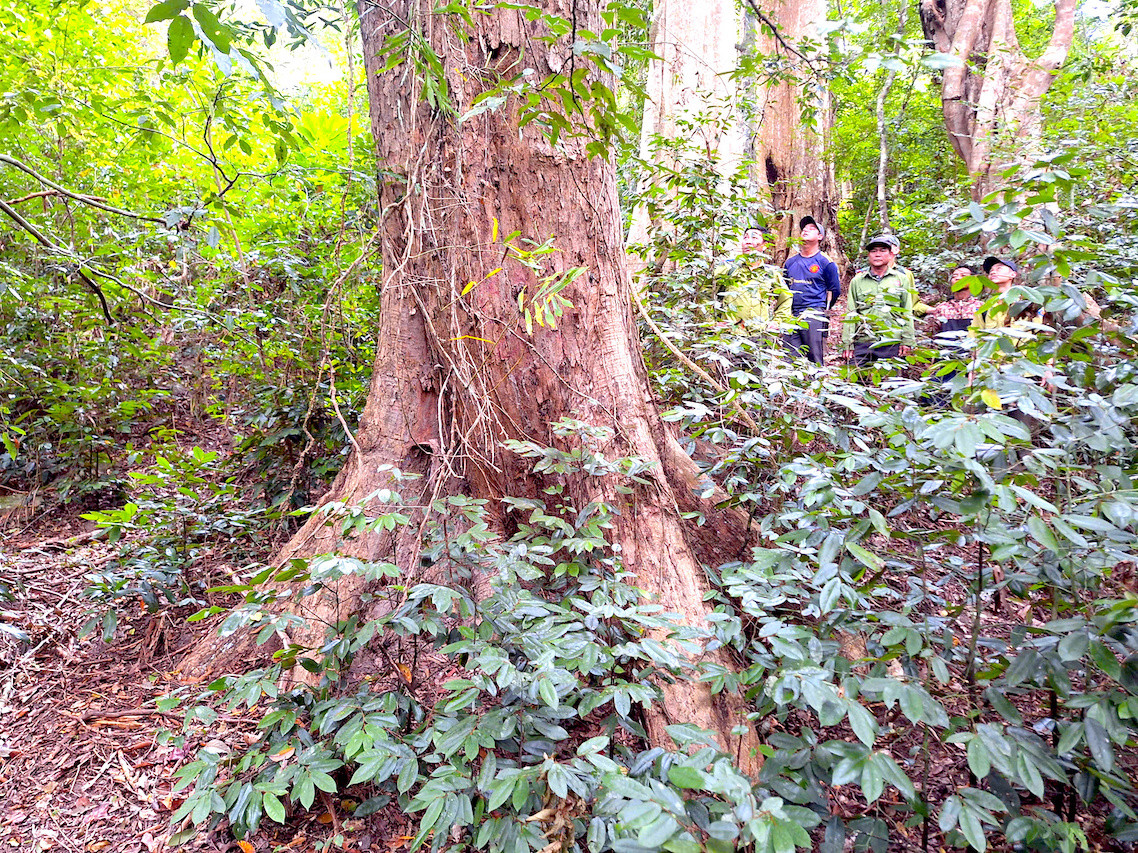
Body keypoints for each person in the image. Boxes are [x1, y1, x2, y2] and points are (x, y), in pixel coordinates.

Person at [841, 233, 916, 366]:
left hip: (891, 340)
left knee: (891, 382)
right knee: (854, 378)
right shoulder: (857, 281)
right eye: (873, 251)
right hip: (863, 340)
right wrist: (847, 343)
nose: (877, 254)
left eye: (882, 250)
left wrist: (908, 341)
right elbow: (851, 313)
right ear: (869, 255)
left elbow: (907, 312)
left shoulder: (901, 279)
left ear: (890, 254)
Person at [782, 215, 841, 364]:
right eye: (804, 229)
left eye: (812, 229)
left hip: (814, 313)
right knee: (790, 357)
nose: (806, 231)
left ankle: (815, 385)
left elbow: (835, 290)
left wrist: (821, 309)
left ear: (820, 236)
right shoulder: (790, 263)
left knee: (814, 356)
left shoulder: (825, 262)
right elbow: (784, 288)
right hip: (792, 314)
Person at [718, 227, 793, 335]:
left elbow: (786, 297)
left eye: (754, 237)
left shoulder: (770, 274)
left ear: (764, 245)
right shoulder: (728, 268)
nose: (748, 241)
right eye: (745, 237)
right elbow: (705, 292)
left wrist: (777, 322)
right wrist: (712, 322)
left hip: (759, 337)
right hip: (730, 336)